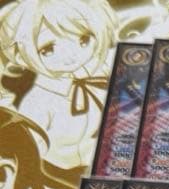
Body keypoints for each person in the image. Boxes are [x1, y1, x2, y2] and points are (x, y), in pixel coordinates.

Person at [0, 0, 117, 171]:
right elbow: (30, 149)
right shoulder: (39, 100)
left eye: (83, 39)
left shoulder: (98, 69)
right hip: (60, 174)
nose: (72, 55)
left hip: (107, 159)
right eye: (48, 49)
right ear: (20, 57)